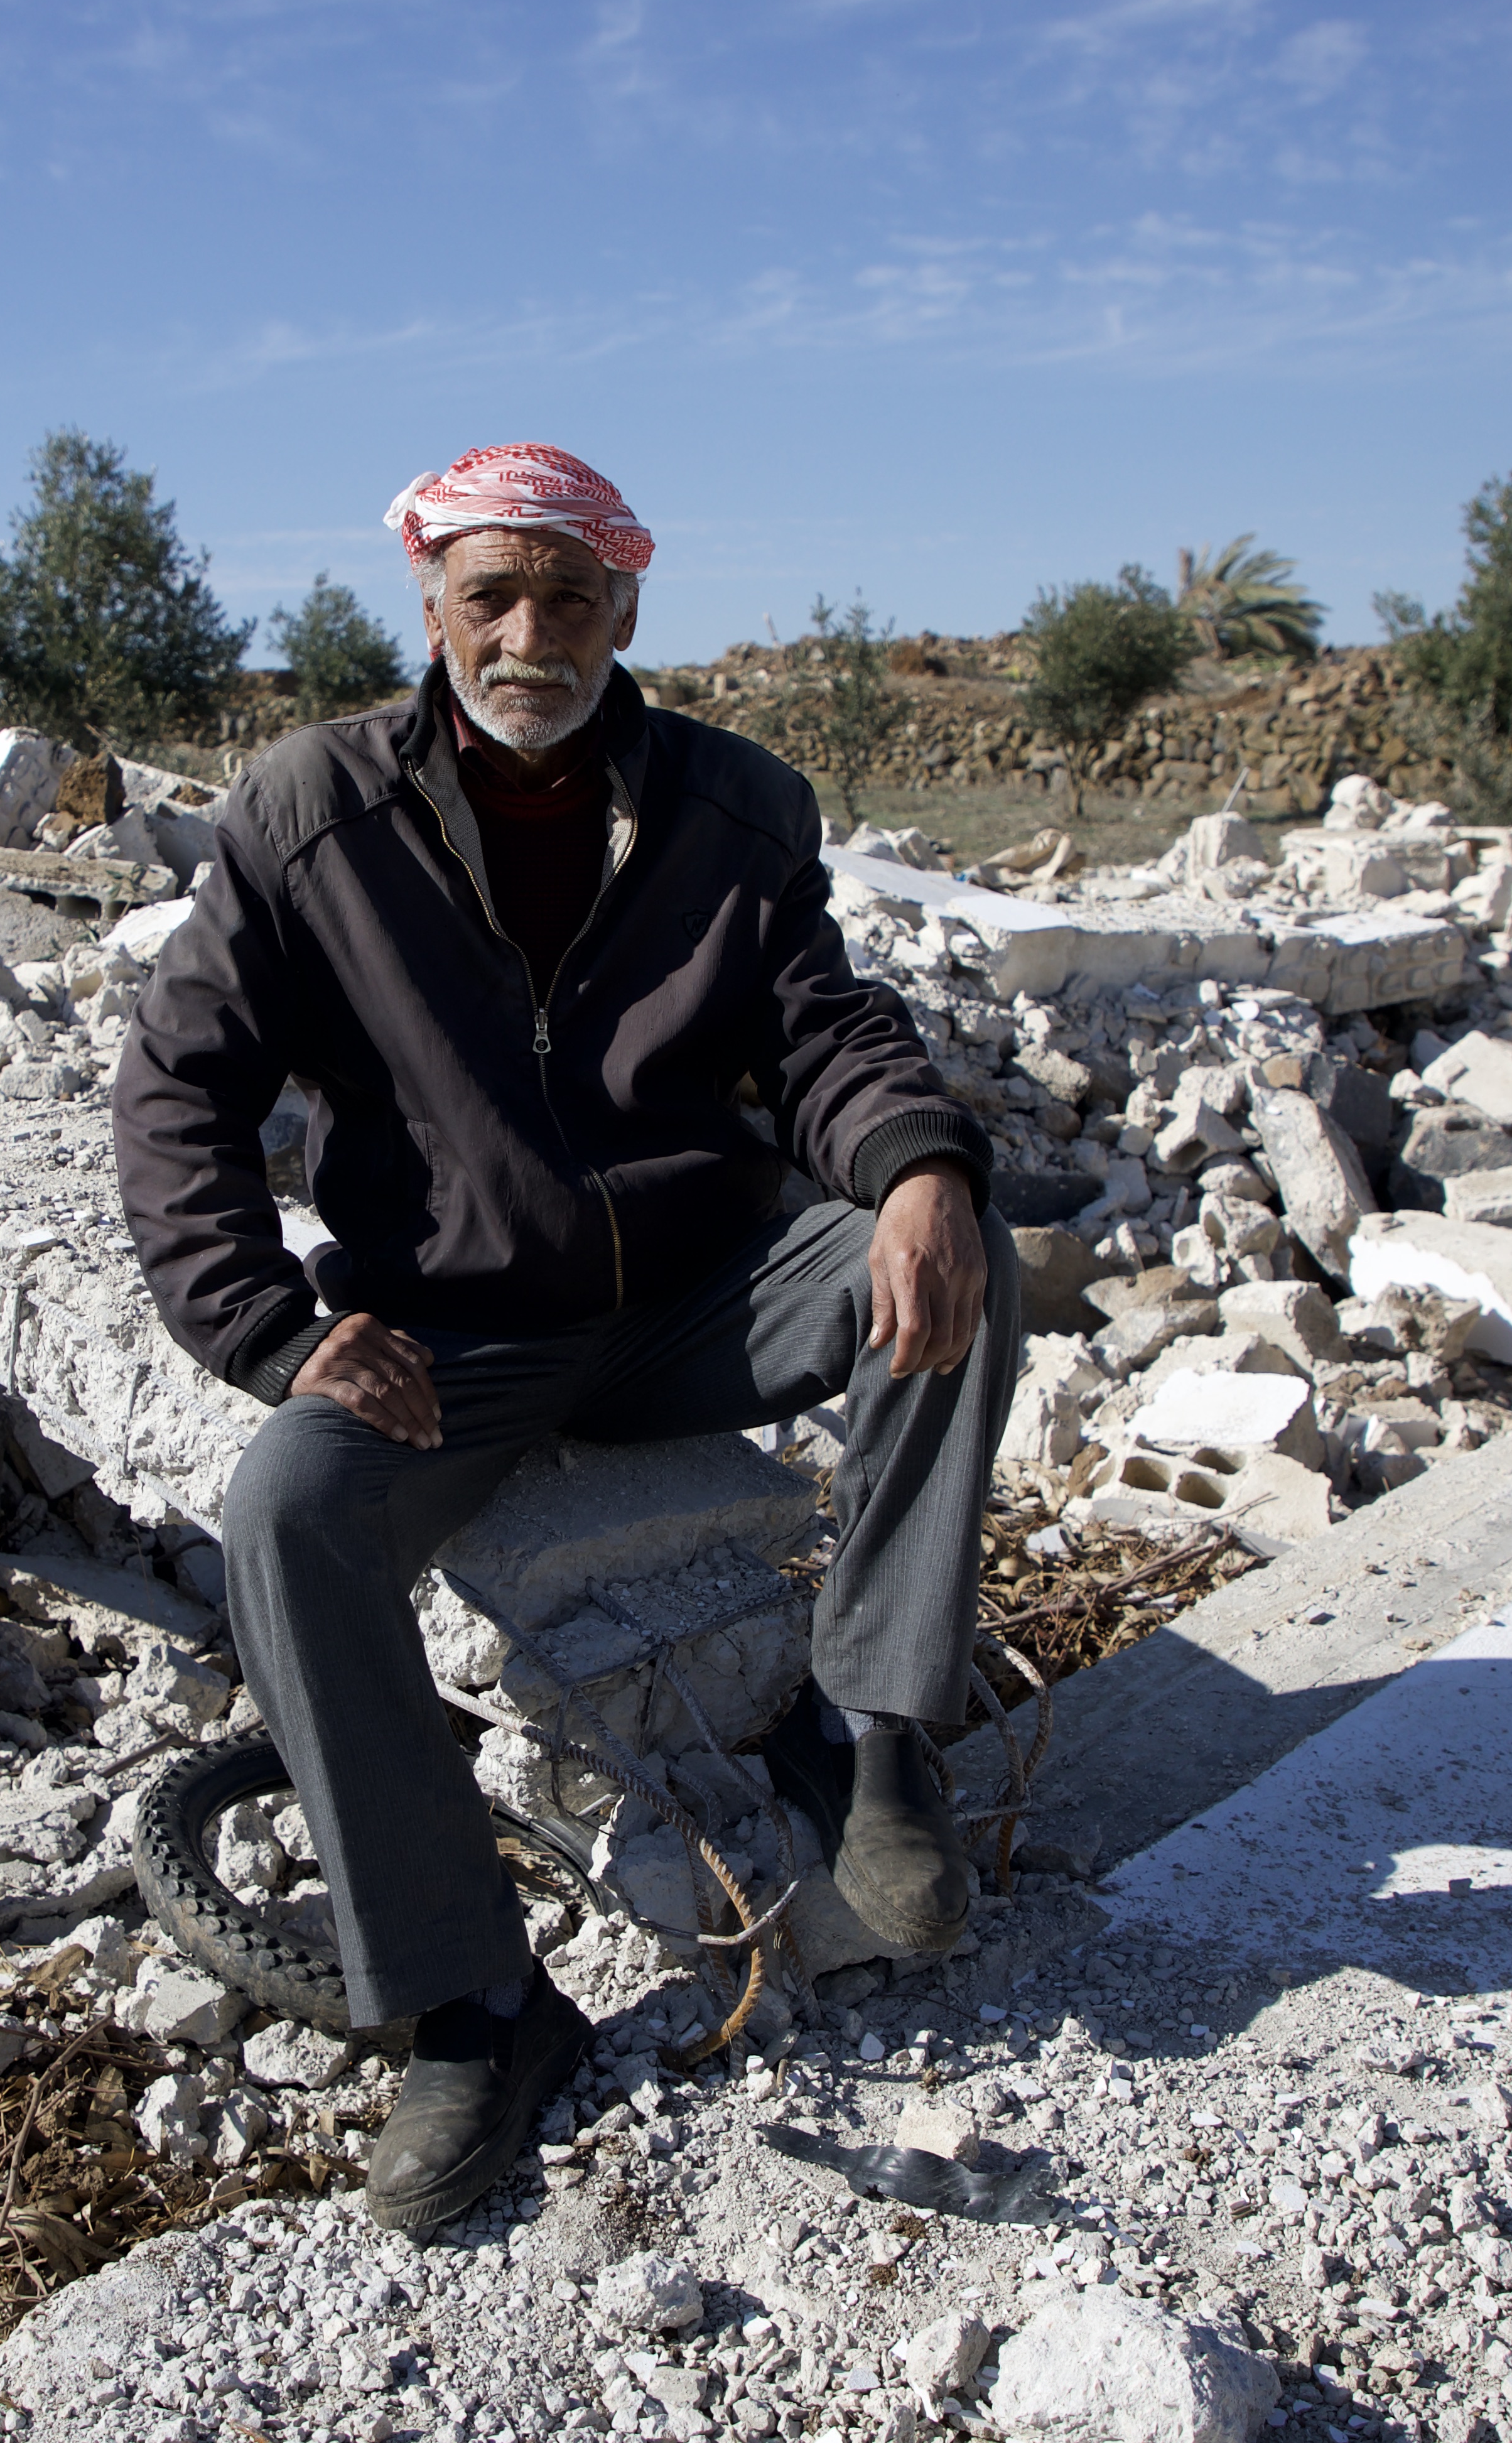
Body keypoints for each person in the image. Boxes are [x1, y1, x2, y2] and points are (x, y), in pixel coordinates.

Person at [113, 441, 1015, 2239]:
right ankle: (476, 2001)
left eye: (569, 597)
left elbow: (825, 1033)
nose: (531, 634)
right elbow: (177, 1090)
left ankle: (878, 1733)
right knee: (290, 1515)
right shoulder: (310, 815)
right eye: (490, 598)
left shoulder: (737, 806)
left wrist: (917, 1161)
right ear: (431, 606)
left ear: (625, 605)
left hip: (700, 1289)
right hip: (456, 1333)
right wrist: (273, 1325)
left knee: (954, 1271)